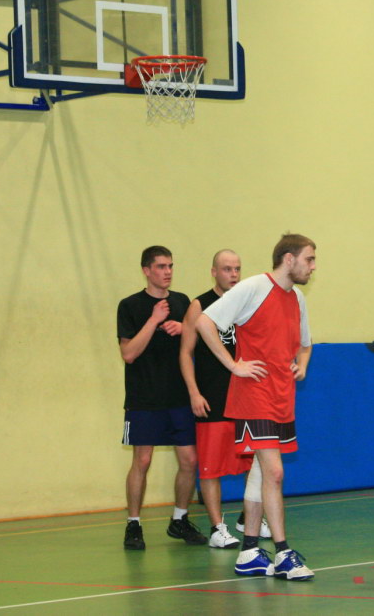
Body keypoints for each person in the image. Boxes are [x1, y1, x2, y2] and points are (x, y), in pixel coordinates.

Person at [195, 234, 316, 581]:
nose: (313, 267)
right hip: (254, 397)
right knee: (274, 472)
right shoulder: (254, 288)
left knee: (261, 474)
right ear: (289, 259)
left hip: (282, 398)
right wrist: (234, 365)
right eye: (309, 259)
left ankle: (249, 551)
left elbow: (305, 344)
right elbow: (204, 322)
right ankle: (283, 552)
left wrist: (301, 365)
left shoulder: (297, 298)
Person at [117, 246, 206, 550]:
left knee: (190, 460)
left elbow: (198, 340)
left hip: (178, 396)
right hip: (144, 398)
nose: (167, 272)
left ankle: (179, 519)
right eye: (160, 266)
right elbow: (128, 353)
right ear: (146, 270)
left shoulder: (182, 302)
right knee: (142, 460)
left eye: (170, 266)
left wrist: (184, 328)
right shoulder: (130, 305)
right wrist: (154, 320)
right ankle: (133, 524)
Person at [179, 249, 268, 549]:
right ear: (214, 272)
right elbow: (185, 353)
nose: (233, 274)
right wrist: (194, 392)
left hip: (244, 399)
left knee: (252, 463)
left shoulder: (246, 302)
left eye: (237, 269)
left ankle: (248, 518)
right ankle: (218, 527)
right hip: (212, 398)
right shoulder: (199, 305)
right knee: (211, 467)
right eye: (227, 269)